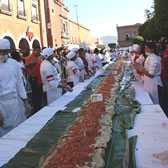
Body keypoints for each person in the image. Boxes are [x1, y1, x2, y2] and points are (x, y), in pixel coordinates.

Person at [0, 39, 31, 137]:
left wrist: (26, 102)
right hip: (1, 105)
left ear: (9, 51)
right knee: (5, 135)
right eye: (0, 51)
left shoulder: (14, 64)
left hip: (15, 103)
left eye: (4, 51)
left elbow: (19, 84)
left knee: (18, 130)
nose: (2, 54)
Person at [25, 46, 43, 113]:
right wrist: (30, 64)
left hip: (39, 77)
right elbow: (26, 66)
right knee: (35, 94)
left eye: (39, 51)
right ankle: (36, 108)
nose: (38, 52)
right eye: (37, 50)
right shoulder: (30, 57)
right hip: (33, 78)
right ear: (34, 50)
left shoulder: (39, 57)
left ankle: (40, 106)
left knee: (39, 93)